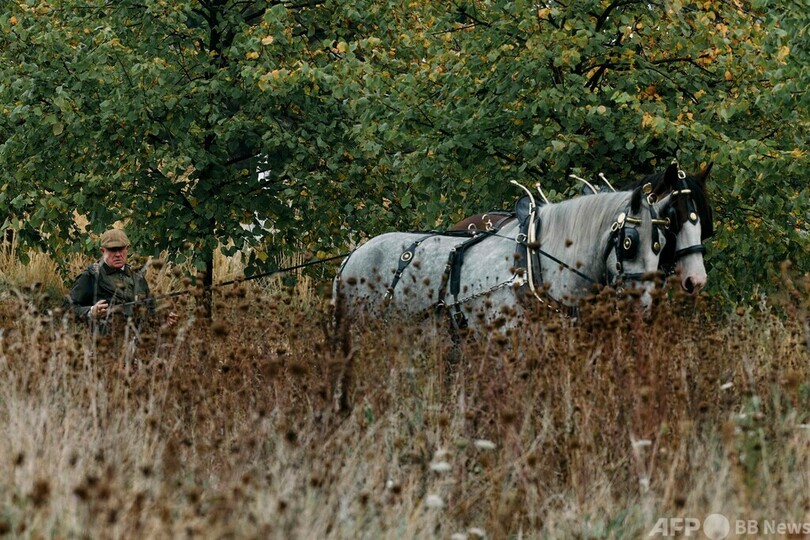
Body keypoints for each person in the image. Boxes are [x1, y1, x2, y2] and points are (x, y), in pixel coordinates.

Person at [69, 228, 177, 332]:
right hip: (105, 345)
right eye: (112, 250)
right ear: (103, 251)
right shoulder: (91, 276)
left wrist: (162, 318)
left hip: (138, 344)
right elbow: (67, 309)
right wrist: (91, 311)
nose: (117, 254)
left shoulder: (137, 276)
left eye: (121, 249)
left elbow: (149, 309)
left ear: (127, 249)